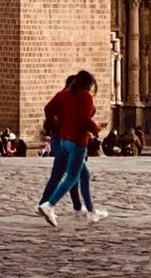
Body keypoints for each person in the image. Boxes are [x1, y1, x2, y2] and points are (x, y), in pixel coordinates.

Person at [37, 71, 105, 228]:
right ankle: (49, 205)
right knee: (72, 177)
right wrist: (96, 129)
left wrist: (56, 126)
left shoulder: (63, 95)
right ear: (88, 84)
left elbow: (48, 109)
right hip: (78, 142)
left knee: (85, 175)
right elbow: (84, 120)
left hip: (64, 141)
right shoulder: (85, 97)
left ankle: (91, 211)